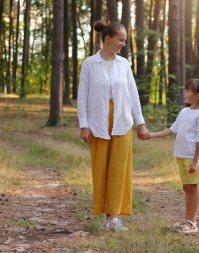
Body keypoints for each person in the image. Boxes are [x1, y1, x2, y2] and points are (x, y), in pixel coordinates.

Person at [77, 20, 150, 231]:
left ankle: (114, 217)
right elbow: (82, 97)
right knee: (101, 168)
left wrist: (141, 123)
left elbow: (133, 95)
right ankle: (104, 214)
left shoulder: (124, 64)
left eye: (124, 41)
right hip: (98, 121)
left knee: (119, 169)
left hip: (122, 121)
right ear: (107, 39)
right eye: (120, 40)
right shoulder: (90, 64)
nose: (122, 44)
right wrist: (84, 125)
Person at [148, 79, 199, 234]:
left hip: (192, 158)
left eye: (187, 90)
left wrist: (195, 162)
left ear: (196, 95)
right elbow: (172, 130)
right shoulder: (184, 112)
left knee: (193, 188)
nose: (184, 93)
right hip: (180, 156)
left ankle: (192, 223)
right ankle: (187, 221)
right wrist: (150, 135)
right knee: (186, 188)